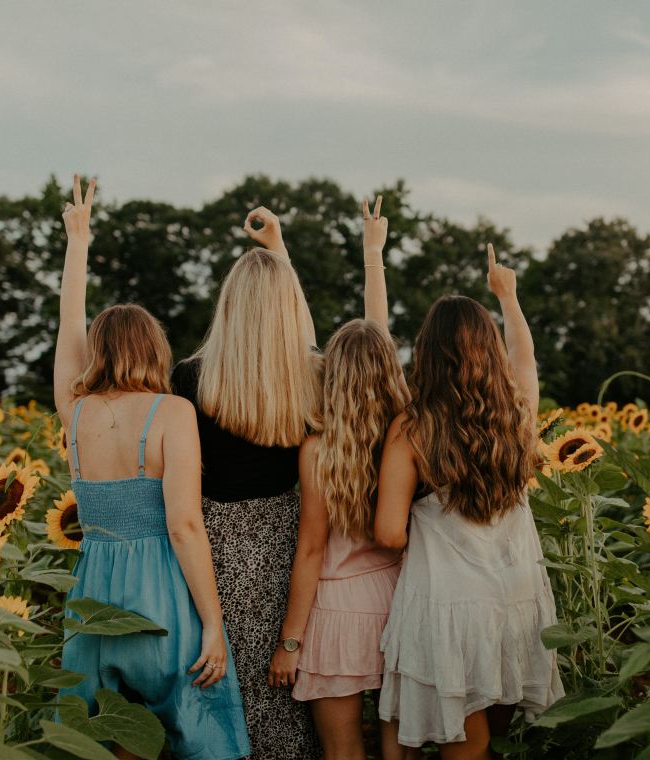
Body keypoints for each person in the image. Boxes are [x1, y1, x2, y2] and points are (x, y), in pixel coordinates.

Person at [54, 175, 250, 760]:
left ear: (99, 351)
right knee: (199, 732)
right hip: (161, 593)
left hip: (93, 593)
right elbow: (185, 525)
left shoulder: (77, 412)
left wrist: (78, 243)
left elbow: (68, 328)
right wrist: (213, 624)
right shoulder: (172, 413)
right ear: (155, 350)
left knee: (112, 734)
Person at [374, 245, 565, 758]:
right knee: (495, 730)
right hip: (515, 592)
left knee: (466, 743)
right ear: (489, 350)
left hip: (450, 602)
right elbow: (525, 359)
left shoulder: (412, 428)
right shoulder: (516, 414)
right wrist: (509, 295)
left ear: (427, 352)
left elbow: (390, 532)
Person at [266, 197, 418, 760]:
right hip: (401, 598)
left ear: (331, 371)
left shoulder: (318, 450)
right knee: (402, 747)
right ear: (388, 370)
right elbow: (375, 336)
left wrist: (290, 642)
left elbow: (310, 550)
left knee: (341, 753)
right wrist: (373, 255)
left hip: (335, 610)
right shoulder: (406, 435)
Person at [171, 207, 322, 758]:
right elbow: (303, 337)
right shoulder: (307, 380)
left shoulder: (191, 378)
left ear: (227, 306)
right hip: (287, 550)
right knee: (281, 701)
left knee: (215, 697)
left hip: (210, 553)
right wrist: (280, 252)